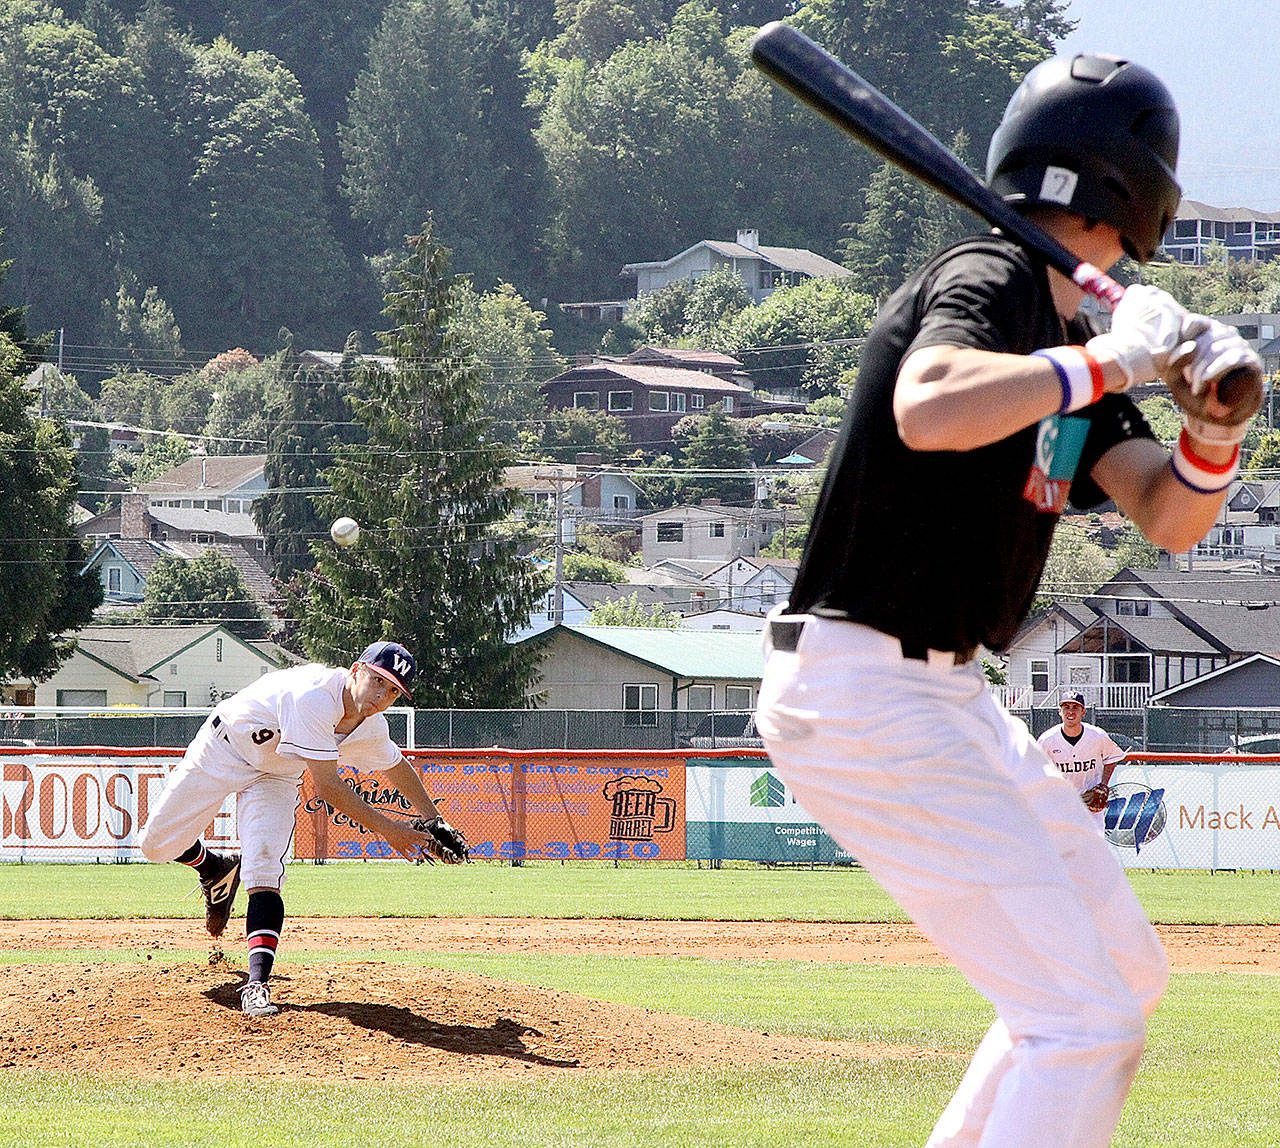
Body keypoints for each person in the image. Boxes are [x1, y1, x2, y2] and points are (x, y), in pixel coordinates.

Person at [755, 53, 1262, 1148]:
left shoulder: (1067, 340)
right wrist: (1113, 364)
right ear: (1140, 200)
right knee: (1082, 1021)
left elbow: (1166, 515)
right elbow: (931, 405)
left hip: (944, 698)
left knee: (1120, 973)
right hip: (863, 686)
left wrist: (1210, 427)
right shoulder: (992, 277)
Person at [139, 640, 458, 1017]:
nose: (381, 695)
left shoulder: (370, 726)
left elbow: (396, 766)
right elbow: (329, 788)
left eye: (393, 691)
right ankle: (213, 867)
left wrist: (435, 819)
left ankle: (256, 985)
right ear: (356, 670)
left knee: (264, 869)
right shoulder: (314, 697)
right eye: (377, 680)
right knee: (155, 845)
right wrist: (392, 830)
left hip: (276, 775)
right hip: (224, 749)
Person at [1038, 691, 1127, 821]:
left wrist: (1104, 784)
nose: (1070, 712)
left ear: (1083, 712)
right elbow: (1035, 767)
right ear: (1059, 711)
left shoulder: (1097, 736)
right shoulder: (1047, 739)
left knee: (1093, 835)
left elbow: (1112, 758)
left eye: (1075, 707)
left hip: (1091, 805)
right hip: (1059, 804)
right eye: (1066, 707)